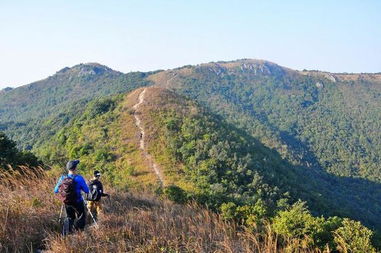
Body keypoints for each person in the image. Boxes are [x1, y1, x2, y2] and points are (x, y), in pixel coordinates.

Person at [54, 160, 89, 233]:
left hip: (67, 202)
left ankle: (67, 234)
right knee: (81, 216)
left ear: (67, 168)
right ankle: (79, 232)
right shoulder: (79, 178)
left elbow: (56, 190)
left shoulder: (62, 178)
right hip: (78, 201)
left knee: (69, 217)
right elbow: (86, 190)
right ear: (75, 168)